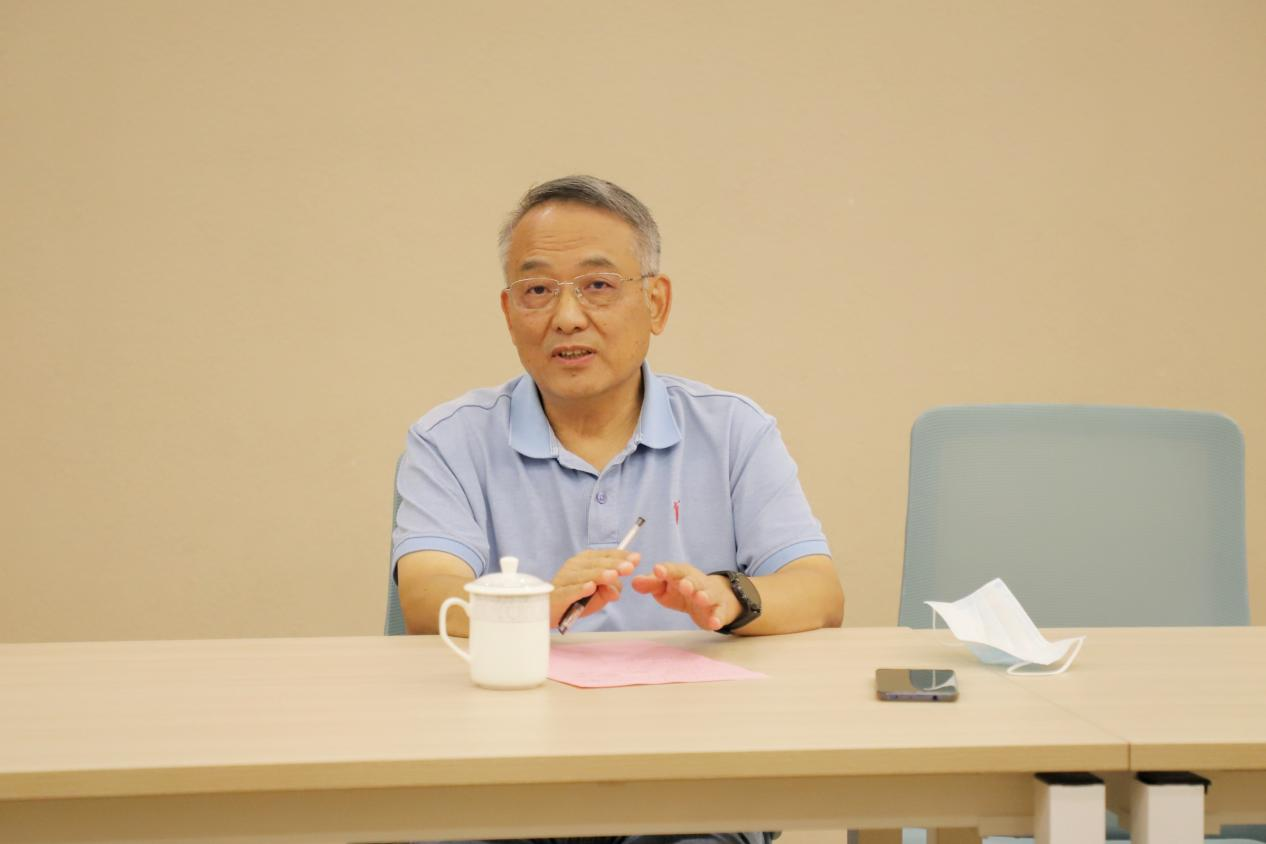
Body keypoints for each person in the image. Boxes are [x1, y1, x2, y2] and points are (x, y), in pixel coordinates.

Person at [394, 175, 843, 643]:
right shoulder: (449, 439)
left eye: (598, 285)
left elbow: (820, 592)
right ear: (509, 314)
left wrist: (729, 598)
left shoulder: (733, 430)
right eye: (538, 290)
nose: (567, 317)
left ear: (656, 303)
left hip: (698, 690)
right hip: (521, 687)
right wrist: (533, 606)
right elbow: (427, 597)